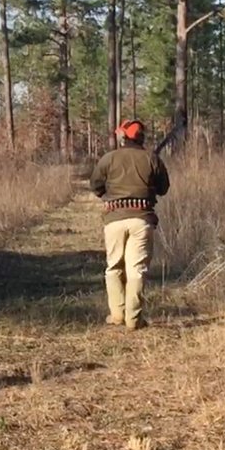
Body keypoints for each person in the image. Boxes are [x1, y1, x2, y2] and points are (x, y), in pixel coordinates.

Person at [87, 118, 169, 330]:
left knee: (113, 267)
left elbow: (96, 186)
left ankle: (117, 315)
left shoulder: (109, 158)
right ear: (142, 137)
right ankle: (134, 319)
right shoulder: (152, 159)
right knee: (137, 270)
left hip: (114, 219)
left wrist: (111, 196)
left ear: (123, 136)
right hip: (142, 220)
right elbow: (163, 188)